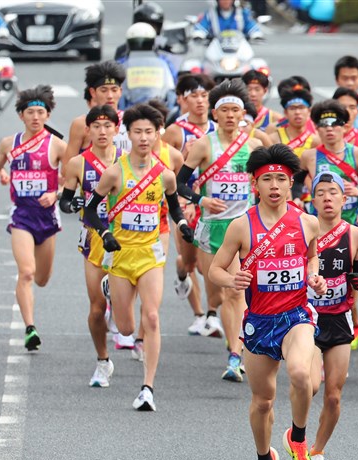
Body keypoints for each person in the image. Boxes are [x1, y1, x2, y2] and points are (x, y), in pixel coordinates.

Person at [208, 144, 326, 460]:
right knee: (263, 403)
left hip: (296, 315)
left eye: (281, 179)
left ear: (291, 184)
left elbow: (311, 258)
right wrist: (233, 280)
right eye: (267, 179)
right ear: (254, 184)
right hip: (259, 321)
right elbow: (215, 269)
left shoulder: (307, 221)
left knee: (302, 375)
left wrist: (315, 278)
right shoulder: (241, 225)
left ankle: (299, 440)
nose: (274, 185)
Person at [83, 103, 194, 410]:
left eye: (149, 131)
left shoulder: (166, 175)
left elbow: (173, 206)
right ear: (127, 134)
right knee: (127, 328)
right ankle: (111, 293)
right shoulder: (115, 172)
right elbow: (91, 210)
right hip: (120, 256)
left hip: (150, 255)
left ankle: (148, 388)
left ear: (158, 133)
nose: (144, 138)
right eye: (137, 132)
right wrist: (105, 235)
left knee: (153, 317)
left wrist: (182, 224)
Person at [175, 79, 263, 381]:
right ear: (215, 114)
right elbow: (180, 184)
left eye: (234, 110)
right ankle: (227, 334)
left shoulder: (254, 146)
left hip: (244, 227)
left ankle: (235, 355)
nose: (229, 115)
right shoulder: (203, 145)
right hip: (211, 229)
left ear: (242, 115)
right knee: (216, 296)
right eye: (223, 110)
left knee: (234, 293)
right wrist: (202, 199)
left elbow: (269, 184)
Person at [296, 100, 358, 348]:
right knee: (324, 275)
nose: (329, 129)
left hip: (353, 222)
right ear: (317, 129)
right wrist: (299, 202)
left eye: (335, 124)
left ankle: (350, 314)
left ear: (345, 127)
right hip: (320, 226)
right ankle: (332, 323)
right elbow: (297, 187)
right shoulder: (310, 155)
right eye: (323, 124)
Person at [307, 172, 358, 460]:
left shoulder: (357, 235)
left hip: (339, 319)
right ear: (312, 199)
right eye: (321, 193)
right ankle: (296, 438)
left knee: (333, 393)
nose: (328, 198)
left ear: (345, 199)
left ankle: (316, 451)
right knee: (310, 385)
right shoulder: (303, 230)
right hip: (307, 318)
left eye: (334, 192)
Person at [0, 86, 66, 351]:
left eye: (40, 112)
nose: (35, 117)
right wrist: (2, 173)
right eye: (30, 112)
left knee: (42, 279)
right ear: (21, 116)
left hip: (47, 219)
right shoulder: (8, 144)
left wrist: (56, 194)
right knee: (26, 272)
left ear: (47, 115)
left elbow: (74, 180)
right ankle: (30, 329)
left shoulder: (58, 145)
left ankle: (30, 322)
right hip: (22, 217)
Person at [59, 105, 122, 385]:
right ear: (88, 131)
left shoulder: (128, 161)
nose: (102, 131)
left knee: (124, 308)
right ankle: (102, 360)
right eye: (96, 126)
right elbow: (65, 200)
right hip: (93, 239)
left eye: (108, 126)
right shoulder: (78, 163)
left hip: (126, 239)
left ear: (116, 130)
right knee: (97, 307)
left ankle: (135, 334)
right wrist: (73, 204)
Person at [161, 74, 216, 334]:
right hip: (183, 201)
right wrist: (186, 154)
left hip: (213, 203)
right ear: (182, 99)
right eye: (194, 95)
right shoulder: (175, 131)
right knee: (189, 262)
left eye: (204, 95)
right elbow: (162, 169)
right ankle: (195, 308)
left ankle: (211, 314)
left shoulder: (220, 130)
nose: (200, 101)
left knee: (212, 266)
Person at [64, 62, 130, 163]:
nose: (110, 96)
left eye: (114, 90)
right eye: (104, 90)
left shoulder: (132, 121)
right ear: (93, 92)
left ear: (120, 91)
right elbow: (67, 167)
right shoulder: (81, 123)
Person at [118, 23, 177, 111]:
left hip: (153, 109)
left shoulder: (122, 63)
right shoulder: (164, 61)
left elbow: (171, 87)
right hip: (141, 110)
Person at [266, 85, 317, 158]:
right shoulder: (273, 139)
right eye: (292, 108)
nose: (297, 112)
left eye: (301, 107)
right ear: (285, 113)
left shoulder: (316, 141)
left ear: (309, 112)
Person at [194, 0, 264, 40]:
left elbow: (250, 25)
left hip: (239, 49)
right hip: (216, 49)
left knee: (261, 65)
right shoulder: (211, 14)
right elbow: (202, 26)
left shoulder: (242, 13)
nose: (226, 1)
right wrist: (199, 34)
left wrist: (256, 34)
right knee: (191, 65)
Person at [242, 69, 282, 133]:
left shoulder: (275, 118)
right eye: (249, 89)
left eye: (257, 89)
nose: (253, 94)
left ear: (265, 91)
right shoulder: (237, 116)